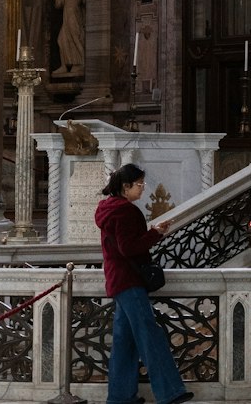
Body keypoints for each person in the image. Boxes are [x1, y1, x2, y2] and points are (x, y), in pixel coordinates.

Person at [95, 163, 193, 404]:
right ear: (125, 186)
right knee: (150, 335)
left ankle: (120, 397)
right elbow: (128, 247)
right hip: (129, 279)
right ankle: (170, 392)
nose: (142, 189)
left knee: (124, 341)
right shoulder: (126, 211)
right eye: (139, 184)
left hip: (117, 278)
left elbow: (120, 244)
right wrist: (155, 234)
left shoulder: (107, 208)